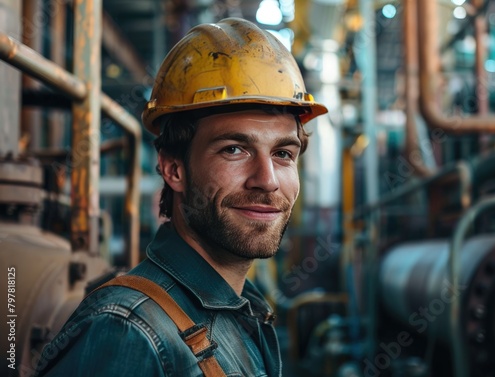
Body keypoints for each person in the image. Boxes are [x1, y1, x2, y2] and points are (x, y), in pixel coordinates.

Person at [35, 17, 327, 377]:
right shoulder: (127, 333)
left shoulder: (243, 309)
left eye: (283, 153)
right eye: (234, 149)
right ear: (174, 170)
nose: (267, 181)